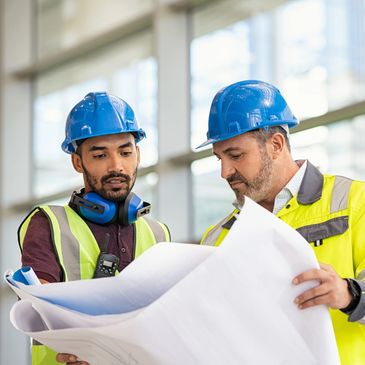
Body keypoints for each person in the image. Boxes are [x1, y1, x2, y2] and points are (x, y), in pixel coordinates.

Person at [197, 80, 365, 365]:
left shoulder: (354, 202)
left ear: (276, 144)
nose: (225, 172)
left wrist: (350, 294)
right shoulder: (215, 239)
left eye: (236, 155)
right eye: (219, 158)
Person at [18, 92, 170, 365]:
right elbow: (41, 310)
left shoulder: (159, 234)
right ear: (78, 162)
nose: (116, 166)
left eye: (125, 152)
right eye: (100, 155)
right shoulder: (49, 224)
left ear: (138, 154)